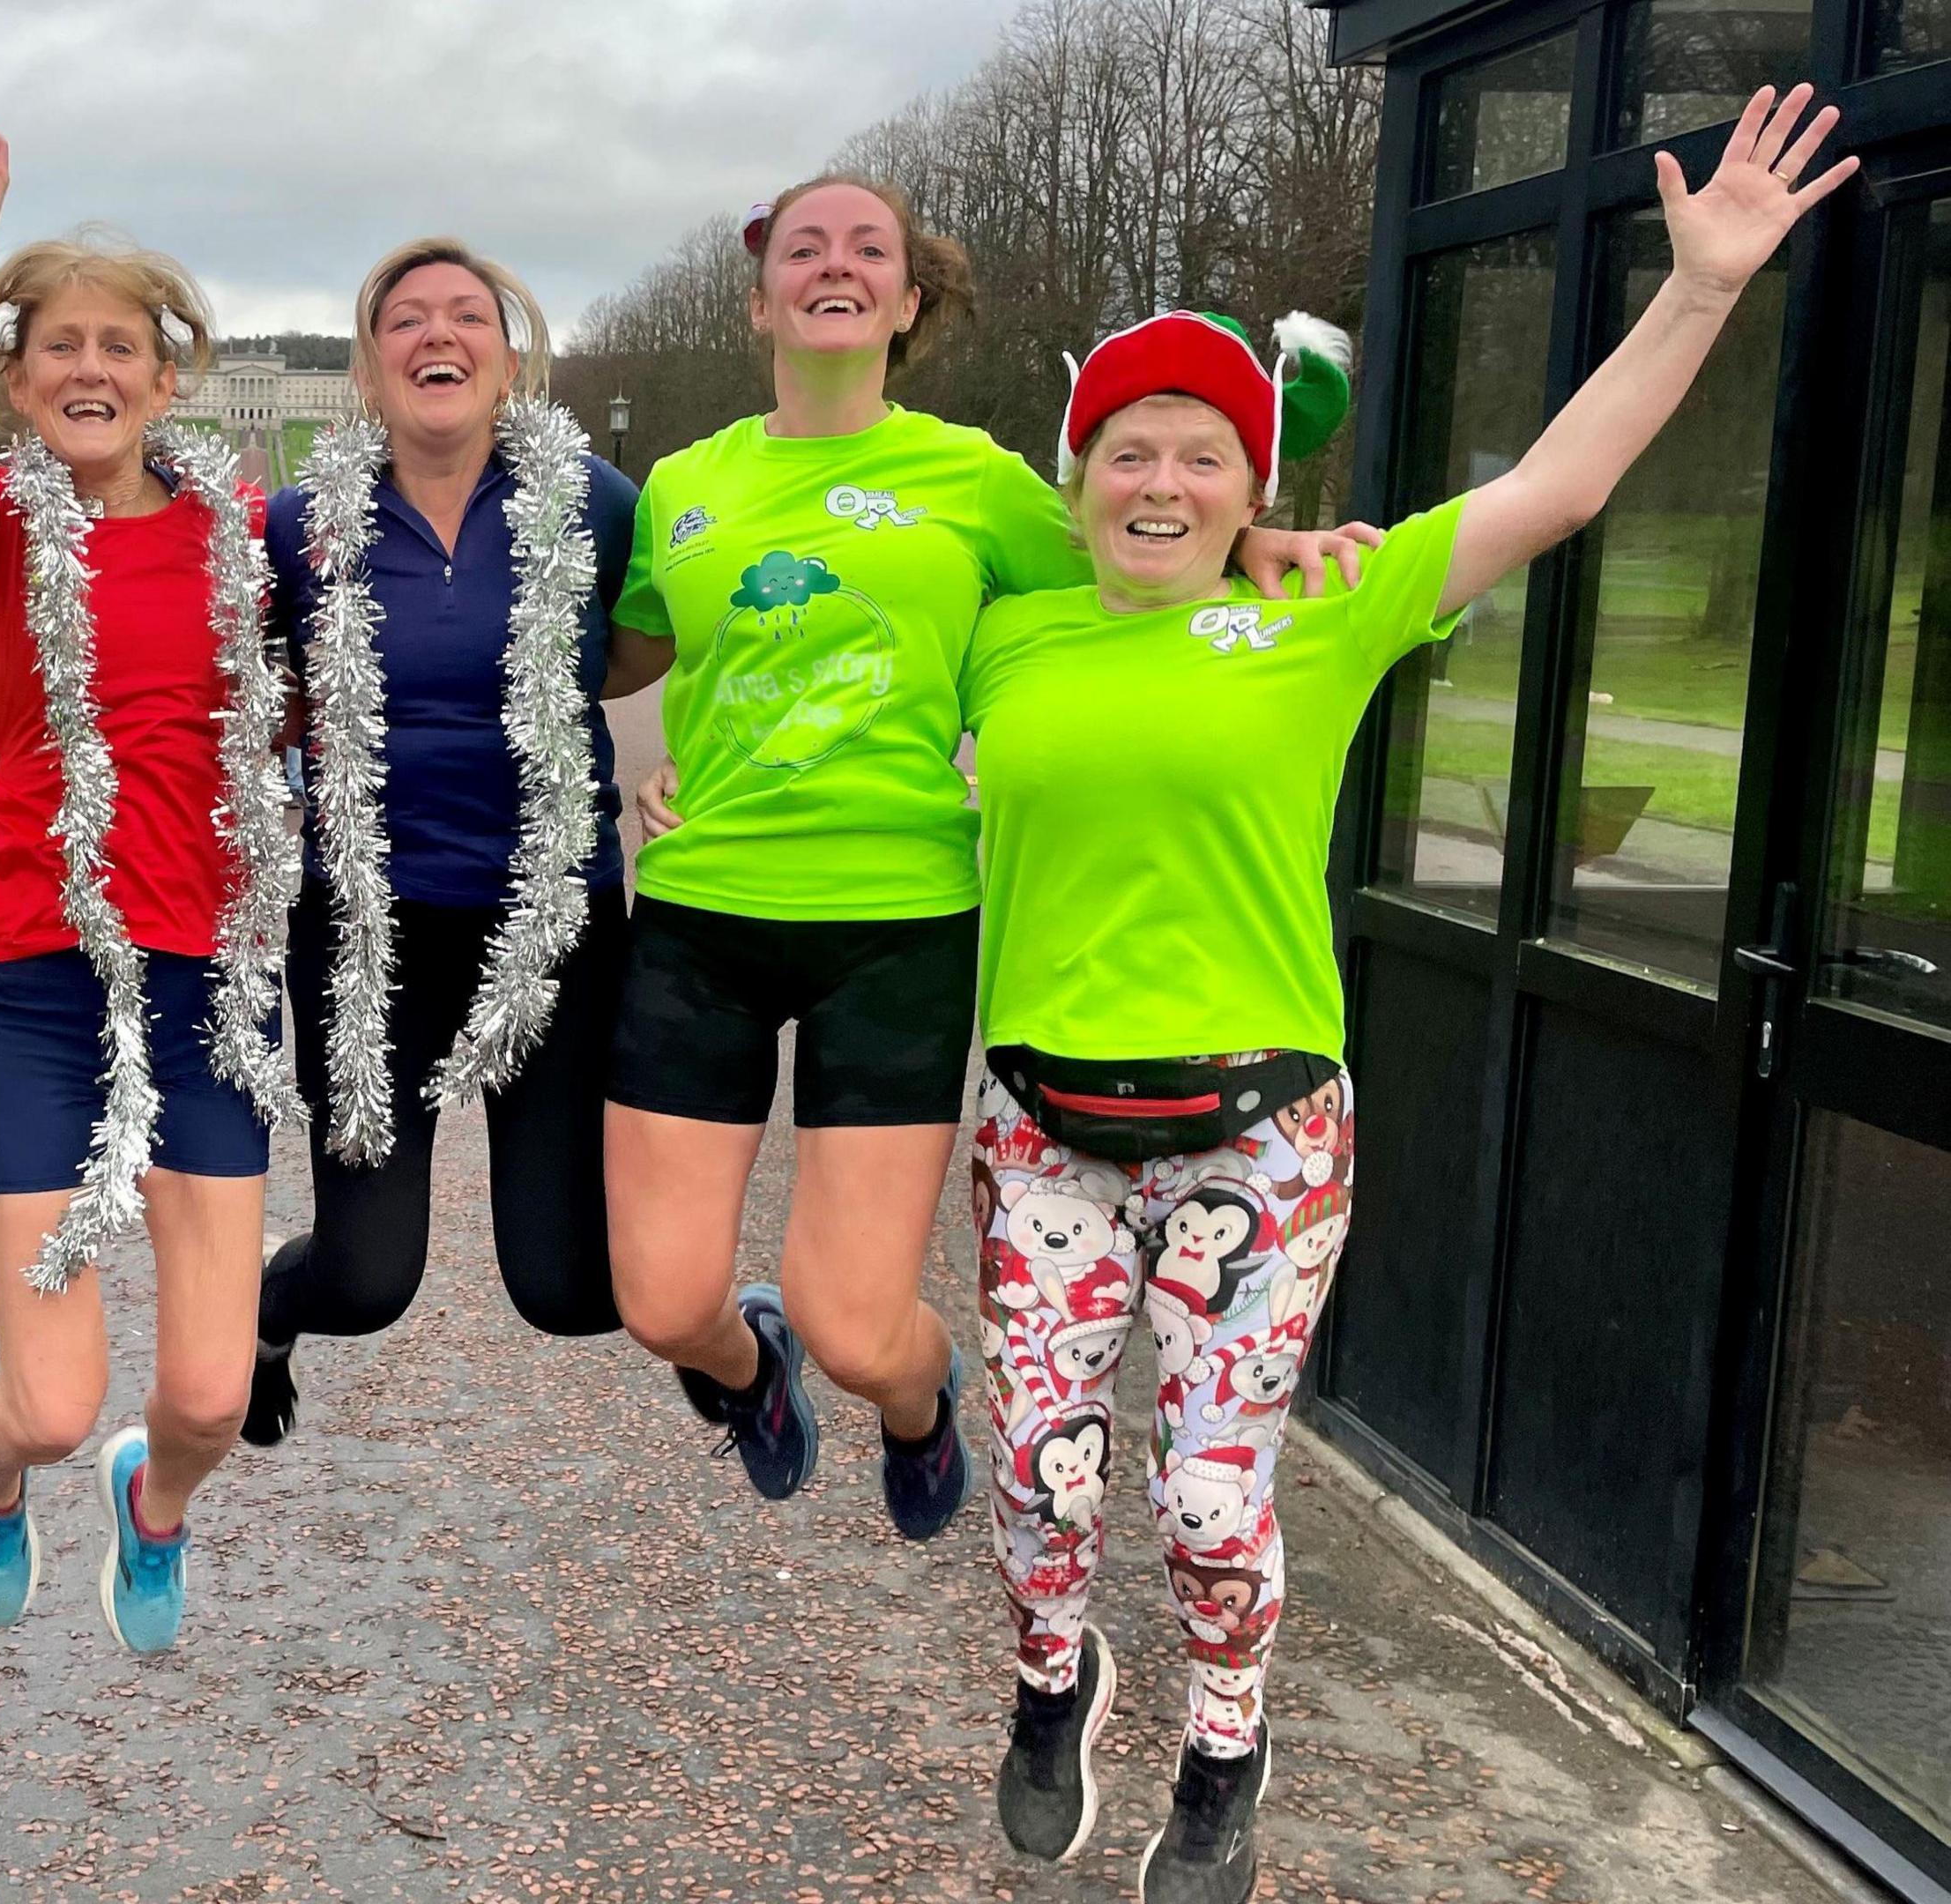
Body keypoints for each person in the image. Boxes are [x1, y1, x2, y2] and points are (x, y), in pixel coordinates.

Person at [959, 86, 1844, 1904]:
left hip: (1261, 1131)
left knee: (1207, 1500)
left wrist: (1699, 290)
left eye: (1206, 455)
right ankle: (1055, 1687)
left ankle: (1224, 1758)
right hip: (1039, 1121)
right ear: (1076, 476)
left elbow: (1559, 488)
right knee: (1042, 1487)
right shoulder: (1009, 622)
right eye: (1127, 450)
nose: (1163, 483)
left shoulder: (1329, 608)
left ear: (1260, 487)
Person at [607, 175, 1373, 1540]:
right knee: (663, 1303)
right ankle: (747, 1370)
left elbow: (1130, 551)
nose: (835, 267)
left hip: (896, 921)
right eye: (804, 248)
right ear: (760, 294)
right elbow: (646, 651)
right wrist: (655, 760)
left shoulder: (975, 479)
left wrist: (1248, 532)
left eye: (870, 252)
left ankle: (918, 1403)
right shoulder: (686, 484)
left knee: (859, 1329)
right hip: (700, 913)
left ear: (908, 303)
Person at [0, 120, 294, 1655]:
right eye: (56, 345)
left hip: (203, 974)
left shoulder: (238, 539)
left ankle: (161, 1506)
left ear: (164, 374)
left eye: (116, 346)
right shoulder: (0, 531)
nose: (88, 368)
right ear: (18, 380)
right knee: (55, 1403)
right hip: (31, 974)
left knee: (204, 1392)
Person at [239, 237, 643, 1445]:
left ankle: (739, 1329)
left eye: (467, 316)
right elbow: (232, 687)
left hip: (552, 926)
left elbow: (672, 647)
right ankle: (270, 1307)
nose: (437, 336)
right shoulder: (299, 526)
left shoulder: (597, 506)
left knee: (569, 1291)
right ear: (367, 370)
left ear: (508, 358)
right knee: (366, 1283)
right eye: (405, 320)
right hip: (372, 936)